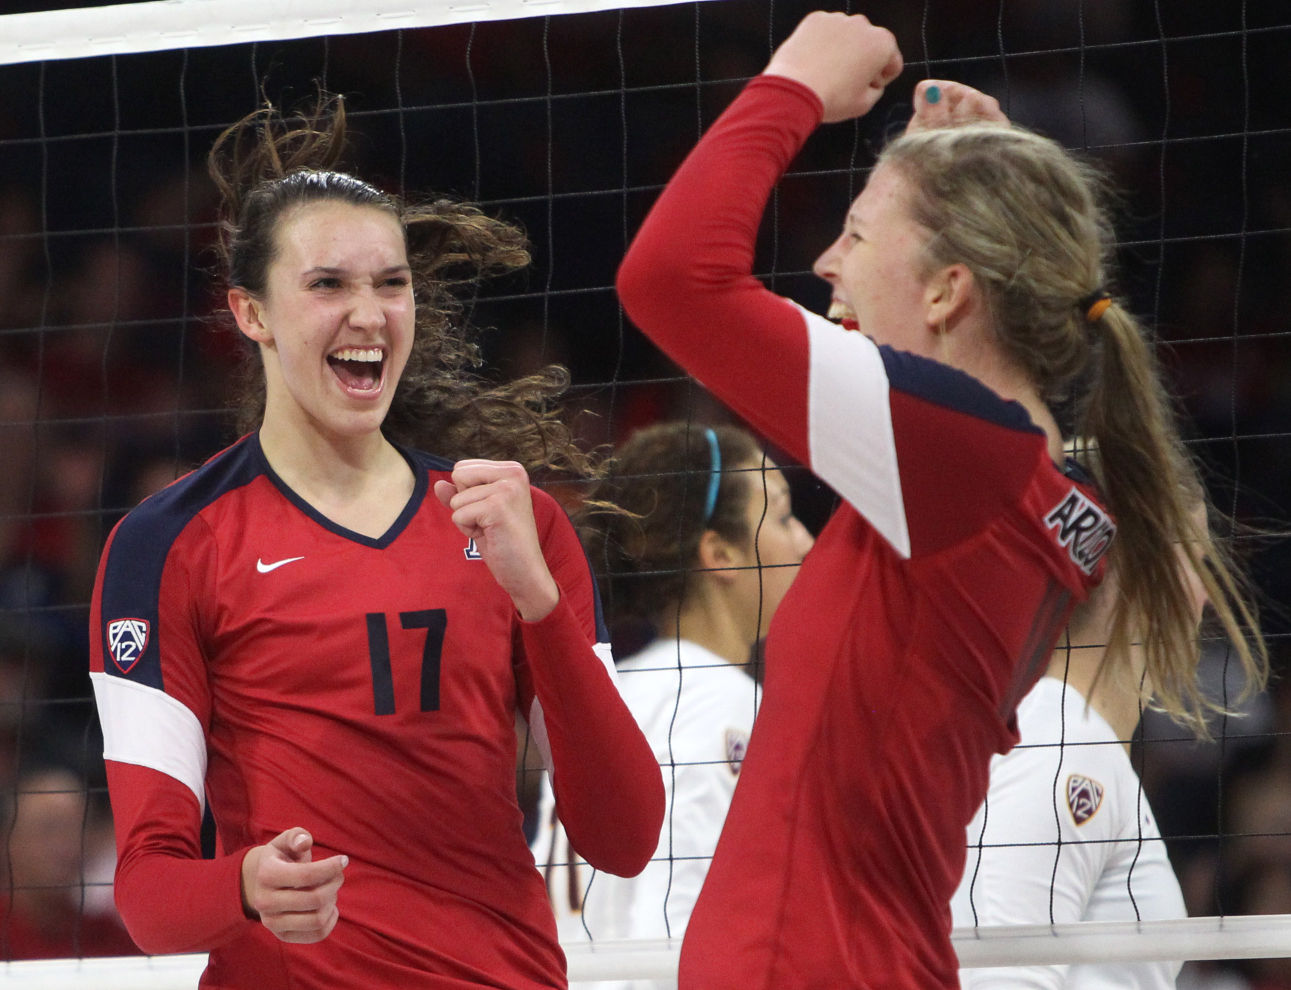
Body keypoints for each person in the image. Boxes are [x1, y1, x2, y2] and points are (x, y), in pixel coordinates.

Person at [614, 11, 1265, 989]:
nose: (825, 262)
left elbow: (667, 280)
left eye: (857, 233)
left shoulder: (963, 460)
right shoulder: (1031, 483)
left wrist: (789, 80)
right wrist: (949, 178)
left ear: (948, 290)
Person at [88, 93, 664, 989]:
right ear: (252, 314)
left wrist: (539, 605)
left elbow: (624, 840)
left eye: (390, 283)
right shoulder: (169, 544)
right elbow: (148, 892)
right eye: (328, 284)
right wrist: (243, 885)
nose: (370, 313)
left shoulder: (513, 521)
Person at [952, 467, 1266, 989]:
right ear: (1147, 569)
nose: (1208, 597)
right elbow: (998, 980)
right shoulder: (1067, 743)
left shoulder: (1068, 734)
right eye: (1197, 560)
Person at [530, 422, 813, 986]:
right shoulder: (726, 704)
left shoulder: (610, 689)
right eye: (782, 517)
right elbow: (679, 921)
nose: (806, 540)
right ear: (722, 554)